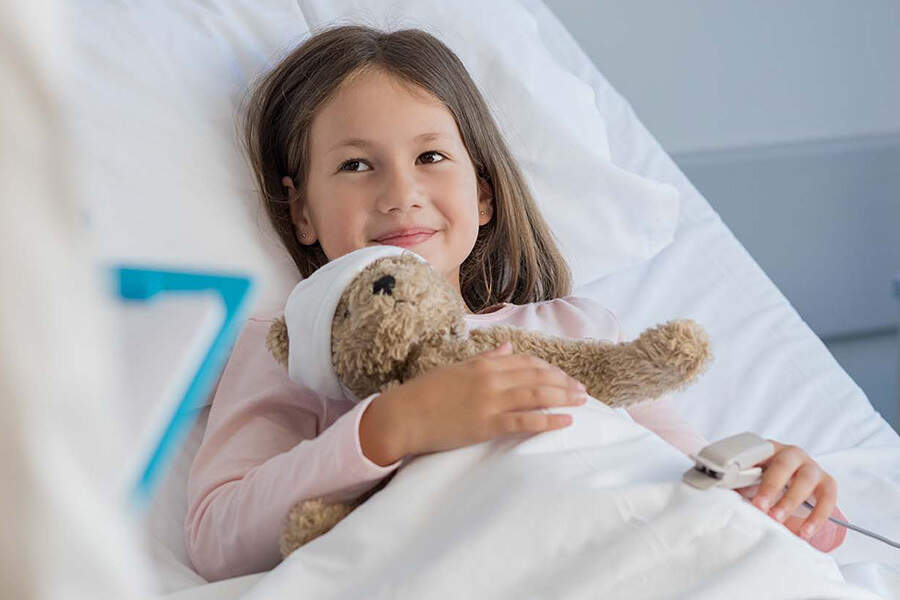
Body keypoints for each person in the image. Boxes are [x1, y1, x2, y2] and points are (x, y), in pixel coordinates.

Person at [185, 24, 845, 582]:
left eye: (432, 157)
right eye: (357, 166)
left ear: (484, 193)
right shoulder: (295, 343)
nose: (400, 193)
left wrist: (778, 493)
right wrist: (388, 429)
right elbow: (217, 536)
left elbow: (681, 480)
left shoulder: (574, 327)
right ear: (301, 210)